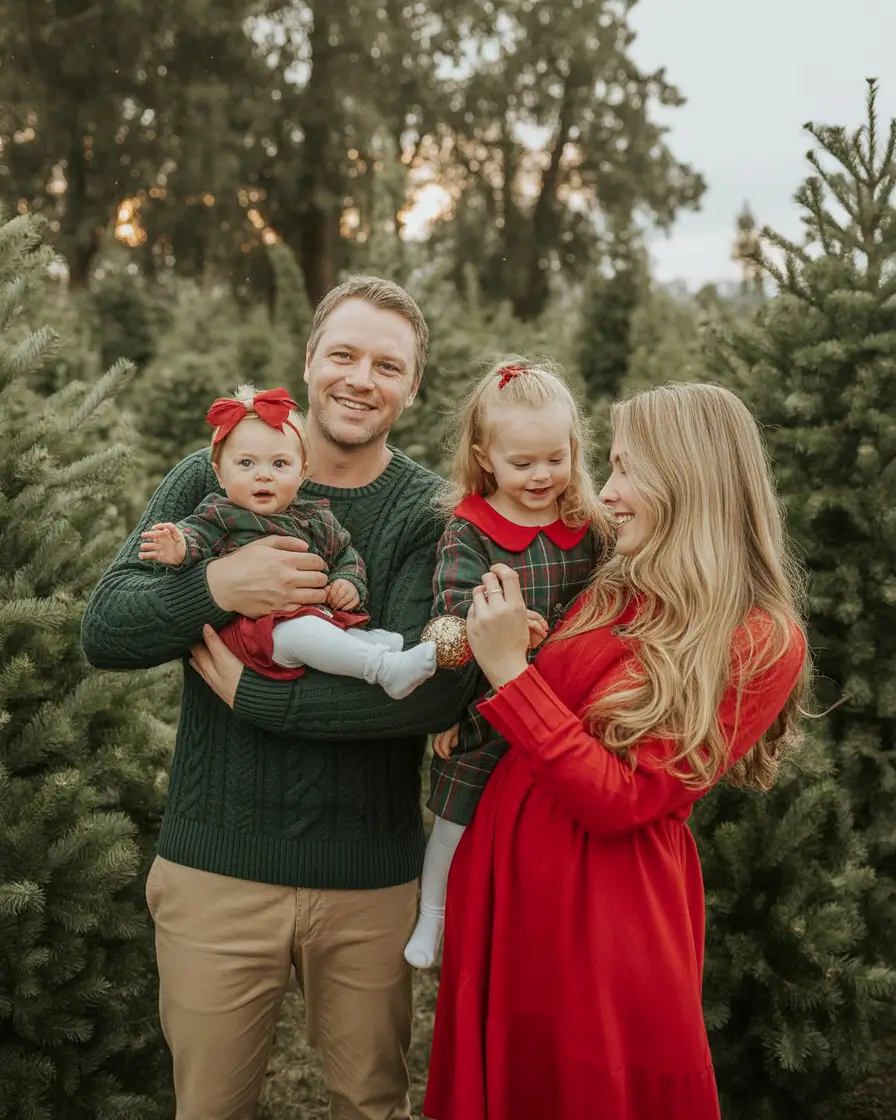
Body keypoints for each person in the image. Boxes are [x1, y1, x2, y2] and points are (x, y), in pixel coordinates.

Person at [80, 275, 480, 1120]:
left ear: (412, 387)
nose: (359, 379)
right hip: (215, 866)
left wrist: (262, 699)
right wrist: (219, 584)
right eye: (343, 354)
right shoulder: (215, 472)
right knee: (209, 1107)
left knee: (369, 1104)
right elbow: (107, 628)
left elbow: (427, 694)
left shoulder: (426, 512)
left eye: (386, 364)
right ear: (308, 361)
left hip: (367, 881)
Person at [423, 382, 810, 1120]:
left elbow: (620, 797)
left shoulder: (757, 637)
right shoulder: (621, 582)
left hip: (602, 923)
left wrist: (509, 671)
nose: (606, 491)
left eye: (628, 470)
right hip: (507, 892)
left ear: (687, 479)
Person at [403, 359, 611, 968]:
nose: (542, 475)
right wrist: (494, 629)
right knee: (455, 811)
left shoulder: (587, 526)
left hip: (570, 702)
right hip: (490, 698)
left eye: (556, 458)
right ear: (485, 456)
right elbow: (452, 609)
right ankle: (432, 914)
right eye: (523, 463)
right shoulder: (471, 529)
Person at [139, 383, 437, 697]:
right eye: (246, 463)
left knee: (321, 632)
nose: (263, 475)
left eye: (279, 464)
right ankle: (385, 669)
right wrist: (178, 547)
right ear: (220, 473)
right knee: (302, 634)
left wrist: (348, 581)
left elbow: (344, 555)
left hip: (307, 616)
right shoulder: (220, 514)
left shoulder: (315, 518)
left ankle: (378, 648)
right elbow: (196, 536)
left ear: (301, 472)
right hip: (258, 633)